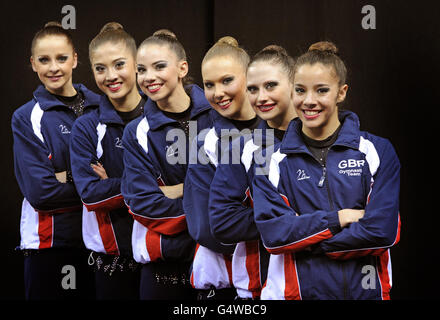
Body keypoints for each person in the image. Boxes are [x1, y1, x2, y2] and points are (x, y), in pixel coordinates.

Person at [252, 41, 401, 300]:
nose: (309, 101)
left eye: (321, 90)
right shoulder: (270, 161)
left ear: (341, 92)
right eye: (300, 90)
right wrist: (339, 219)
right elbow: (275, 235)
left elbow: (382, 230)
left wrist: (309, 242)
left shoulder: (377, 150)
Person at [121, 29, 213, 300]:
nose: (149, 77)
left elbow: (237, 192)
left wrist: (181, 189)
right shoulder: (136, 132)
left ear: (182, 68)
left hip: (220, 263)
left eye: (159, 66)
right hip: (165, 266)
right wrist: (207, 210)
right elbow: (143, 204)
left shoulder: (218, 114)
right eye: (141, 69)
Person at [12, 21, 99, 300]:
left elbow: (125, 180)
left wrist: (65, 175)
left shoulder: (103, 105)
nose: (54, 68)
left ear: (75, 59)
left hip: (102, 243)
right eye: (44, 60)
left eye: (62, 58)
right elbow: (41, 192)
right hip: (51, 244)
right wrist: (92, 180)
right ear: (33, 64)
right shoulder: (26, 117)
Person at [208, 45, 297, 299]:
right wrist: (292, 222)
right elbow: (222, 222)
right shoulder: (242, 148)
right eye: (253, 89)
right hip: (258, 291)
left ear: (294, 84)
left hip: (320, 286)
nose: (261, 97)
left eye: (271, 86)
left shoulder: (324, 142)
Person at [69, 22, 144, 300]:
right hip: (113, 261)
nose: (110, 76)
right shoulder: (86, 127)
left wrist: (111, 183)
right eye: (100, 68)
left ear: (137, 64)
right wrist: (148, 187)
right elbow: (90, 196)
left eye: (119, 64)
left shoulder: (161, 119)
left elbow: (187, 191)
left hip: (164, 257)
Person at [183, 36, 260, 300]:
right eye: (209, 85)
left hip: (282, 282)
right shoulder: (205, 143)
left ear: (250, 77)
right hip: (222, 286)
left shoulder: (279, 131)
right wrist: (283, 226)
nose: (218, 93)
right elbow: (208, 228)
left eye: (227, 80)